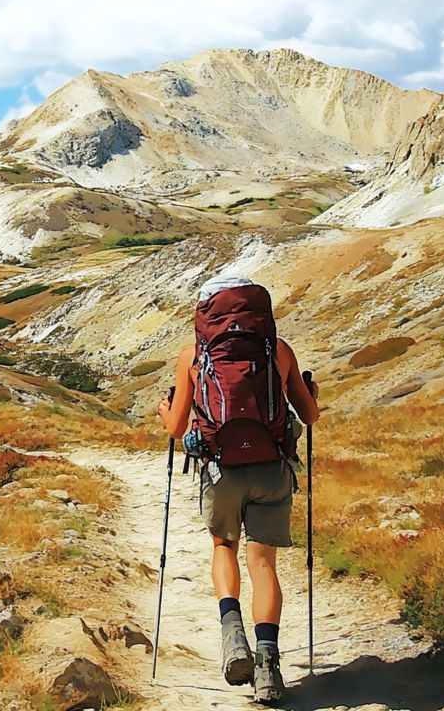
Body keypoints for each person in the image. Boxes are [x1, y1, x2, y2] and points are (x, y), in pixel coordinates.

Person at [157, 276, 320, 703]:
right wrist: (310, 393)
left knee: (223, 547)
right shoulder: (278, 351)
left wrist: (164, 411)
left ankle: (233, 633)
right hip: (270, 468)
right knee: (263, 562)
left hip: (220, 469)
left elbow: (175, 427)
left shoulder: (193, 355)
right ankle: (268, 662)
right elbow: (310, 414)